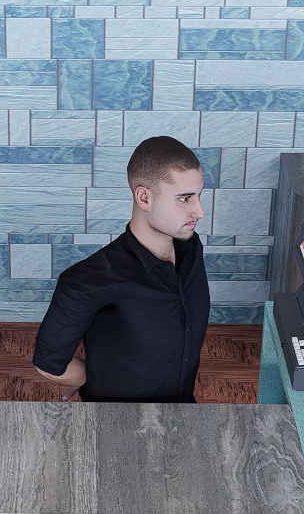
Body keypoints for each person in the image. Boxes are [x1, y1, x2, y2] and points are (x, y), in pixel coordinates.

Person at [32, 136, 210, 402]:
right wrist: (101, 383)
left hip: (183, 410)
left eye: (198, 195)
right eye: (185, 199)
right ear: (144, 198)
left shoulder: (191, 249)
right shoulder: (89, 279)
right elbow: (48, 363)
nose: (200, 211)